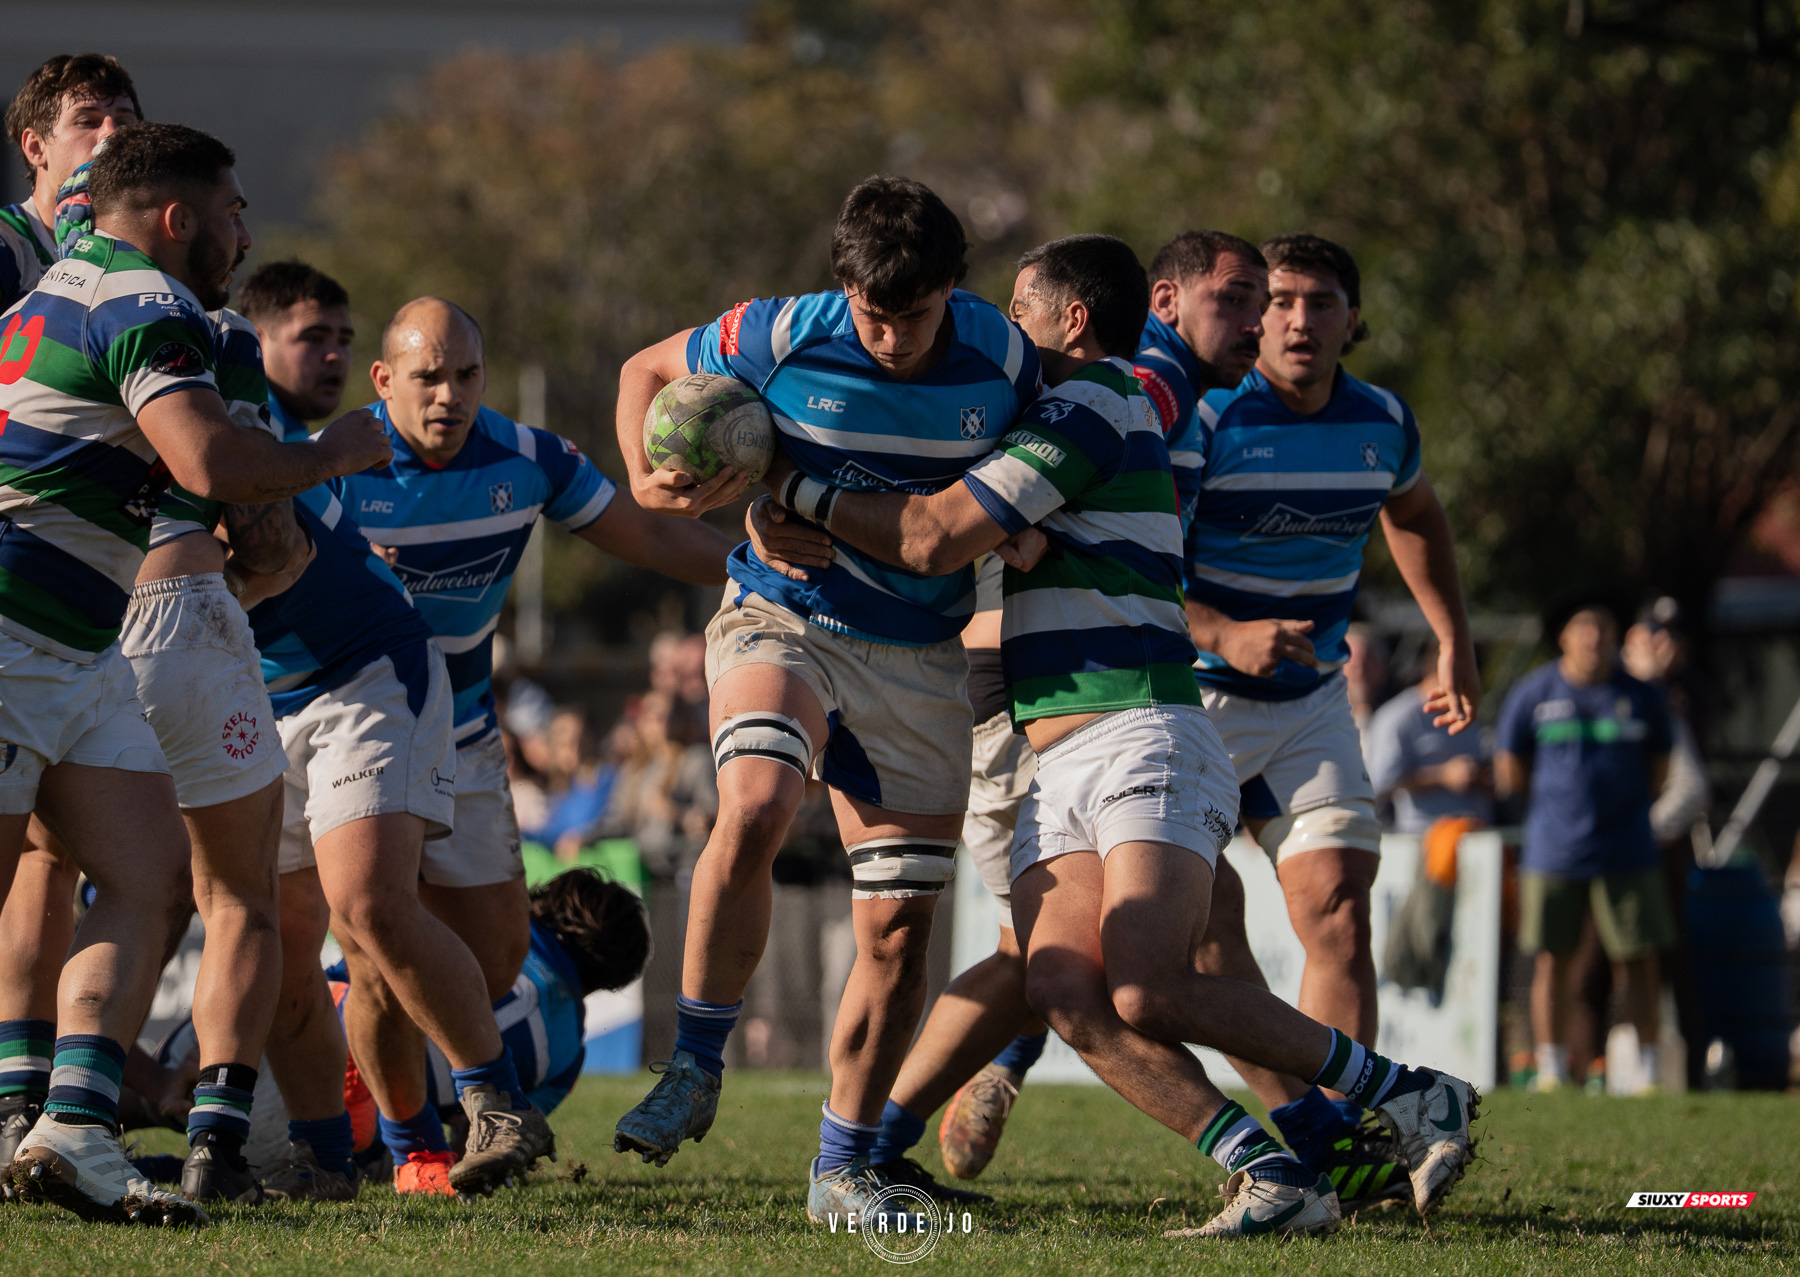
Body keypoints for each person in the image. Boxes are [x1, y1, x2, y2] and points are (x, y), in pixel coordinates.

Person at [765, 232, 1478, 1236]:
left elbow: (930, 537)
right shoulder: (1062, 415)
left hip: (1143, 726)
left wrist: (789, 483)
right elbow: (972, 525)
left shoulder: (1097, 399)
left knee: (1148, 986)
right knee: (1060, 982)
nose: (1000, 330)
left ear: (1072, 320)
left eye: (1019, 309)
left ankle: (1406, 1092)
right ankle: (1270, 1168)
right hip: (1062, 756)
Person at [608, 175, 1042, 1225]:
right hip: (784, 613)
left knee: (897, 928)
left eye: (915, 314)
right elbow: (644, 367)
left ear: (954, 288)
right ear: (841, 285)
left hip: (923, 655)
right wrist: (651, 472)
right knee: (755, 797)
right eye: (871, 314)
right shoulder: (780, 331)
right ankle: (698, 1059)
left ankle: (842, 1168)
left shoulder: (1007, 358)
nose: (890, 338)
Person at [0, 122, 392, 1226]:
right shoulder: (143, 302)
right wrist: (337, 451)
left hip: (79, 650)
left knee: (154, 875)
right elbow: (210, 465)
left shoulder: (55, 293)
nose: (244, 232)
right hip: (15, 631)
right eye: (232, 211)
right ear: (178, 217)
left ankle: (73, 1128)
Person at [329, 294, 731, 1183]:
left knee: (496, 957)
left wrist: (760, 560)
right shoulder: (333, 464)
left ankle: (417, 1121)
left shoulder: (530, 458)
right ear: (384, 380)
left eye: (466, 374)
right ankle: (411, 1149)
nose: (449, 395)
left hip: (467, 734)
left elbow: (650, 534)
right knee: (373, 947)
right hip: (355, 727)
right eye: (427, 377)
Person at [234, 263, 548, 1200]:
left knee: (380, 915)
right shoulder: (224, 420)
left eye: (341, 335)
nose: (329, 352)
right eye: (309, 336)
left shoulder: (341, 446)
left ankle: (492, 1100)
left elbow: (264, 557)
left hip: (376, 683)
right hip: (257, 704)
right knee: (301, 946)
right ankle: (354, 1152)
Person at [1171, 233, 1478, 1175]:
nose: (1301, 320)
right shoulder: (1207, 414)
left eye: (1323, 301)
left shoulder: (1383, 419)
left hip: (1311, 702)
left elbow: (1416, 514)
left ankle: (1354, 1139)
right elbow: (1138, 564)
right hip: (1195, 699)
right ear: (1256, 311)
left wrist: (1453, 636)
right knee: (1202, 923)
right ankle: (1316, 1127)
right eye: (1284, 299)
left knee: (1340, 908)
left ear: (1355, 319)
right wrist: (1222, 632)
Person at [1498, 598, 1676, 1094]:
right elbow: (1511, 768)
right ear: (1564, 637)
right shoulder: (1534, 693)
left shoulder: (1642, 696)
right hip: (1553, 852)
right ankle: (1551, 1069)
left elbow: (1662, 768)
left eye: (1603, 627)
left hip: (1628, 850)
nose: (1594, 638)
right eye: (1584, 628)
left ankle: (1647, 1071)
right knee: (1552, 957)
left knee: (1638, 958)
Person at [1, 54, 141, 311]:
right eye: (87, 121)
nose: (111, 135)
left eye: (124, 123)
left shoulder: (151, 248)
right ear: (35, 148)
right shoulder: (8, 245)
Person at [1365, 638, 1494, 835]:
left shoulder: (1471, 712)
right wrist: (1443, 776)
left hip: (1475, 834)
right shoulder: (1398, 716)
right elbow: (1380, 783)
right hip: (1421, 840)